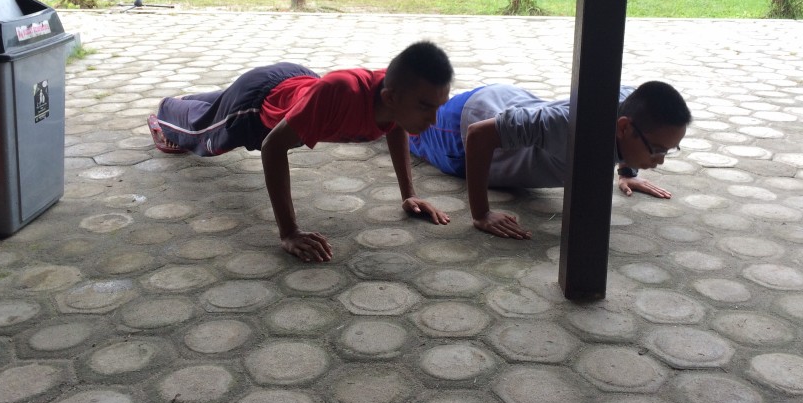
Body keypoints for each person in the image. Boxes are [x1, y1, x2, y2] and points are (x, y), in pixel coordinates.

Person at [148, 41, 455, 262]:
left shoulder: (393, 99)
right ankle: (165, 111)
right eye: (426, 108)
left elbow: (397, 124)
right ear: (389, 97)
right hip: (255, 108)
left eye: (439, 106)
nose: (434, 119)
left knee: (219, 105)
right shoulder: (343, 93)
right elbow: (272, 146)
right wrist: (289, 232)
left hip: (292, 82)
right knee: (202, 134)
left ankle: (189, 102)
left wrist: (408, 194)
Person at [408, 81, 692, 239]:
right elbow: (479, 136)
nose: (661, 160)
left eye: (668, 151)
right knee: (405, 123)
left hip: (508, 103)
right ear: (623, 127)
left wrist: (629, 169)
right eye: (656, 149)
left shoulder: (628, 107)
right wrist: (481, 213)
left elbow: (630, 114)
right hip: (463, 128)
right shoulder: (568, 126)